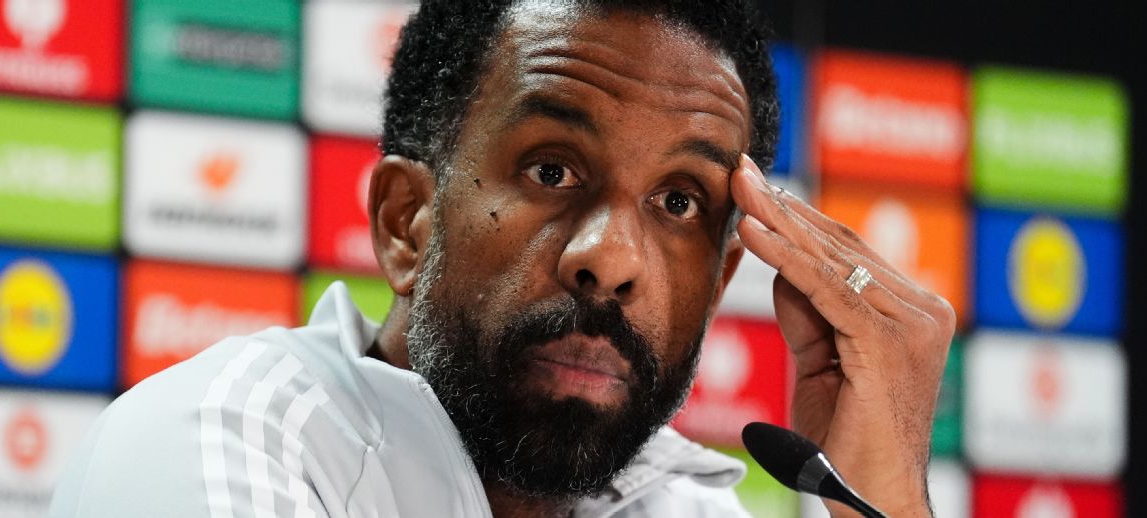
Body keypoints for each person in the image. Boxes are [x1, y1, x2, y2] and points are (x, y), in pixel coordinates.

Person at [50, 1, 954, 516]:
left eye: (679, 202)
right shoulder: (224, 446)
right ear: (407, 222)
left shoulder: (682, 506)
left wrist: (880, 500)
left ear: (721, 281)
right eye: (552, 170)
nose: (612, 260)